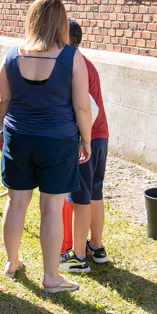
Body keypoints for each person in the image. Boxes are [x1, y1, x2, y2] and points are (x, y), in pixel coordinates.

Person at [0, 0, 92, 292]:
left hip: (18, 138)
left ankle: (12, 263)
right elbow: (82, 107)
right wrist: (86, 140)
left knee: (16, 202)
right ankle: (51, 277)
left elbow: (3, 100)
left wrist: (0, 131)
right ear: (61, 22)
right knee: (51, 209)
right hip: (58, 142)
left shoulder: (11, 53)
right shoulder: (72, 57)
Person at [59, 19, 110, 272]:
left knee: (80, 199)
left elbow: (86, 107)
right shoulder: (87, 62)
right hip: (102, 137)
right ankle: (96, 247)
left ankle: (78, 257)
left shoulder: (72, 65)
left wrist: (82, 140)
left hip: (86, 140)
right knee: (95, 194)